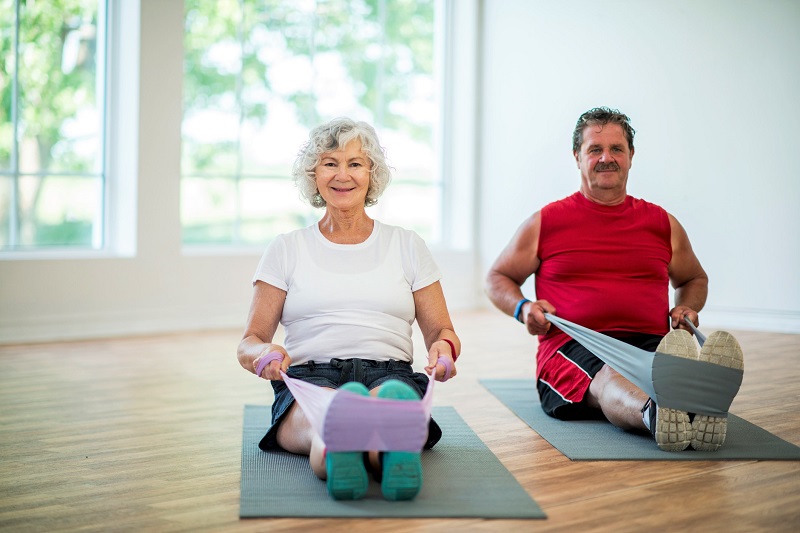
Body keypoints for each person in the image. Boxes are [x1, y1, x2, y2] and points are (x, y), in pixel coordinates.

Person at [485, 107, 743, 452]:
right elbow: (497, 277)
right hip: (574, 345)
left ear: (631, 156)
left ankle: (691, 399)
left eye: (616, 149)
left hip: (652, 343)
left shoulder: (662, 223)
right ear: (577, 157)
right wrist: (523, 307)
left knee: (664, 369)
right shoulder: (545, 221)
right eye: (595, 149)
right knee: (610, 375)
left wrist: (687, 308)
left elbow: (694, 278)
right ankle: (659, 415)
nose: (607, 158)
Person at [237, 117, 460, 500]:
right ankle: (370, 445)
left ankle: (359, 437)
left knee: (361, 413)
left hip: (389, 376)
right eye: (330, 163)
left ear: (372, 173)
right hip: (310, 377)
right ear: (314, 174)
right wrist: (264, 353)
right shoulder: (286, 248)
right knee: (328, 419)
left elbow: (442, 331)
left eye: (355, 163)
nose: (343, 175)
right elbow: (250, 341)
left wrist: (445, 349)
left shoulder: (407, 244)